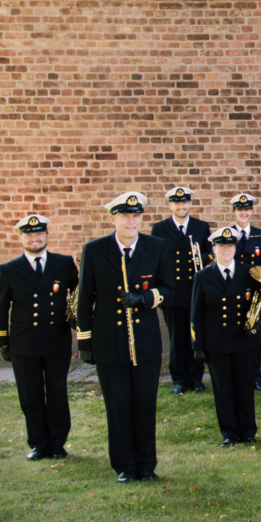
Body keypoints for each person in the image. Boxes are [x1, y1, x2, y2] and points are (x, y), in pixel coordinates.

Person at [76, 191, 173, 483]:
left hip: (144, 342)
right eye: (125, 216)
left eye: (136, 216)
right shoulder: (95, 250)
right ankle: (124, 466)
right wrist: (85, 342)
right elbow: (84, 299)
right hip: (109, 342)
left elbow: (169, 289)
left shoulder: (156, 247)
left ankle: (146, 464)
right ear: (113, 218)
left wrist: (143, 298)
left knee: (145, 404)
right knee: (117, 406)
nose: (131, 221)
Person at [0, 213, 78, 460]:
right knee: (30, 395)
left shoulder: (63, 264)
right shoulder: (9, 270)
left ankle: (58, 444)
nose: (35, 239)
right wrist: (3, 343)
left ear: (47, 236)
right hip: (23, 342)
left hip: (56, 340)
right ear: (21, 238)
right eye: (29, 235)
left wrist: (76, 318)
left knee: (57, 393)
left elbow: (79, 291)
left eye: (39, 234)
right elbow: (0, 308)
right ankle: (38, 444)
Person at [190, 226, 261, 447]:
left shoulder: (250, 273)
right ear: (213, 249)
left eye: (230, 245)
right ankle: (229, 433)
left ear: (235, 248)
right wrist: (198, 345)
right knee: (223, 388)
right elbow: (196, 314)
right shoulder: (203, 276)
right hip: (217, 343)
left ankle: (248, 431)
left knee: (244, 386)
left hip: (243, 341)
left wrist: (257, 323)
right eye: (221, 246)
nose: (226, 250)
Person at [151, 186, 209, 395]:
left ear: (190, 204)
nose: (181, 206)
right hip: (173, 291)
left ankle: (196, 378)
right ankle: (178, 379)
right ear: (170, 206)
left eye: (184, 202)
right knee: (176, 337)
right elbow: (156, 258)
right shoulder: (159, 228)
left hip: (194, 290)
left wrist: (202, 258)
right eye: (177, 203)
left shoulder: (201, 227)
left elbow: (209, 253)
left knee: (195, 334)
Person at [227, 192, 261, 390]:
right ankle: (237, 374)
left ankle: (255, 375)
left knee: (256, 335)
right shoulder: (226, 235)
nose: (243, 213)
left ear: (252, 211)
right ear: (234, 212)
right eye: (239, 210)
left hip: (255, 292)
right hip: (233, 291)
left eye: (246, 210)